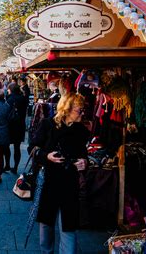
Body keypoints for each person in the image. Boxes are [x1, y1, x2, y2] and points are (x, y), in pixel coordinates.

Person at [31, 93, 89, 254]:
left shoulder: (81, 130)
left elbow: (83, 154)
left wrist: (84, 162)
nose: (82, 113)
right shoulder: (48, 125)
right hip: (48, 180)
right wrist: (46, 156)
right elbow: (33, 148)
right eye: (79, 110)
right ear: (67, 109)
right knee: (46, 223)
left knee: (68, 225)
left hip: (70, 182)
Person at [5, 82, 28, 173]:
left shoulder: (9, 99)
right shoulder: (23, 98)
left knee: (6, 146)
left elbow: (6, 112)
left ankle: (7, 164)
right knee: (17, 147)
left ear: (11, 90)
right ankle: (15, 167)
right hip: (20, 125)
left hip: (10, 125)